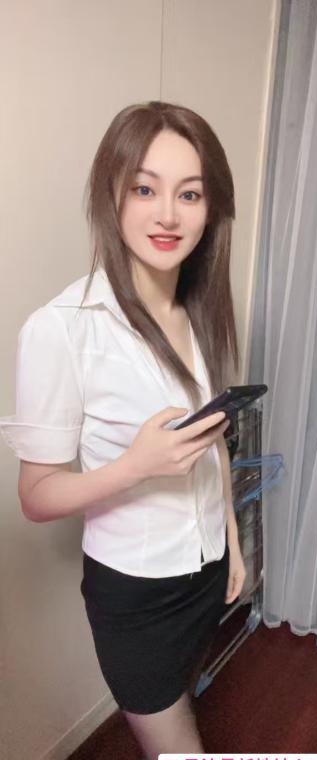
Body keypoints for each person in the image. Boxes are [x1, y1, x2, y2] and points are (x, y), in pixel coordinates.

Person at [0, 101, 247, 758]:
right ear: (111, 195)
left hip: (205, 573)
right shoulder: (62, 329)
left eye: (189, 194)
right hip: (138, 596)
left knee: (182, 705)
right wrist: (136, 465)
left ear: (210, 209)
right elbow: (36, 497)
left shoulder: (199, 312)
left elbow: (213, 444)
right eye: (144, 189)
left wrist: (231, 541)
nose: (168, 214)